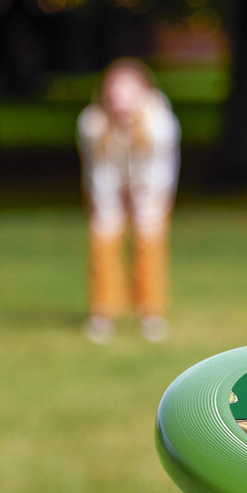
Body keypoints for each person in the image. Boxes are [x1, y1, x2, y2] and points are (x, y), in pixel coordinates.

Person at [77, 57, 181, 343]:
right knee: (103, 238)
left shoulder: (160, 123)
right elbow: (99, 170)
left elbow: (160, 170)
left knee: (149, 241)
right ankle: (103, 312)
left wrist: (144, 200)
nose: (120, 101)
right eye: (114, 93)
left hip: (151, 188)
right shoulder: (92, 123)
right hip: (108, 186)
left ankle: (150, 313)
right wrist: (109, 204)